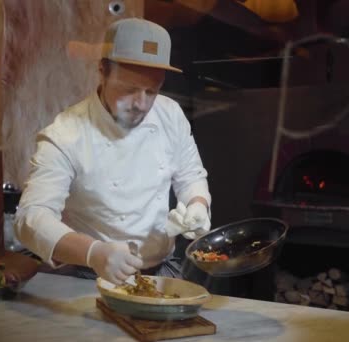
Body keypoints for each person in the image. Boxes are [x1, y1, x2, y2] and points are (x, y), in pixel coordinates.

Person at [15, 18, 211, 285]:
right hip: (88, 274)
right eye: (128, 90)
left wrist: (197, 205)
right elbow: (31, 217)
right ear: (102, 70)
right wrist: (93, 252)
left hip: (163, 269)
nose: (141, 104)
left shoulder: (170, 115)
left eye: (151, 91)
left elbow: (190, 175)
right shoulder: (65, 134)